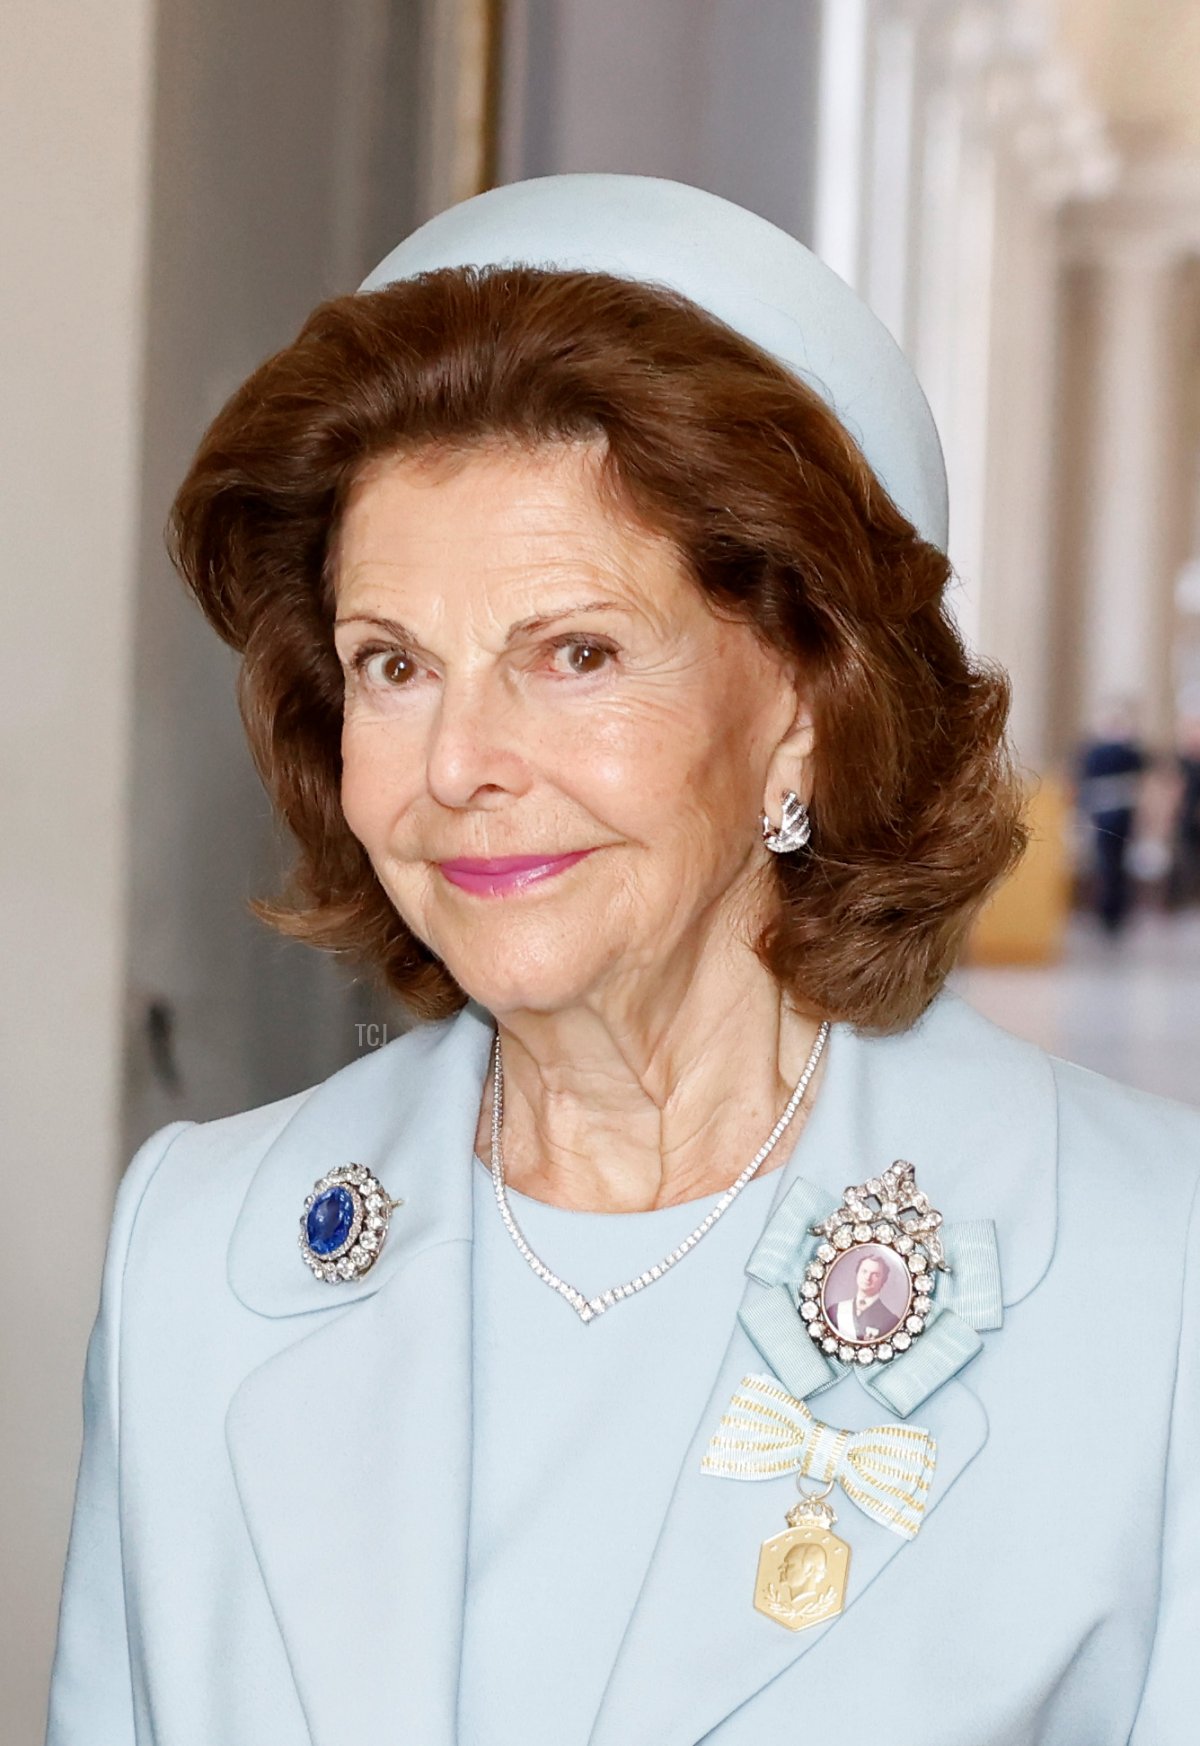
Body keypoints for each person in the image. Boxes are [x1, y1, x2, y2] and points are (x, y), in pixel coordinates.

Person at [45, 176, 1199, 1746]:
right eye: (393, 665)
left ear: (807, 694)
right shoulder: (198, 1250)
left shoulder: (1155, 1270)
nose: (456, 763)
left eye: (574, 653)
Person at [1077, 700, 1148, 934]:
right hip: (1105, 811)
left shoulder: (1126, 750)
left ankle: (1116, 911)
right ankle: (1108, 911)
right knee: (1107, 864)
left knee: (1116, 863)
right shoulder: (1097, 750)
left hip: (1120, 811)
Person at [827, 1249, 901, 1343]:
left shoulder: (891, 1320)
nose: (867, 1278)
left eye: (875, 1274)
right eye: (864, 1271)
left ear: (883, 1281)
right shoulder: (835, 1310)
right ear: (857, 1273)